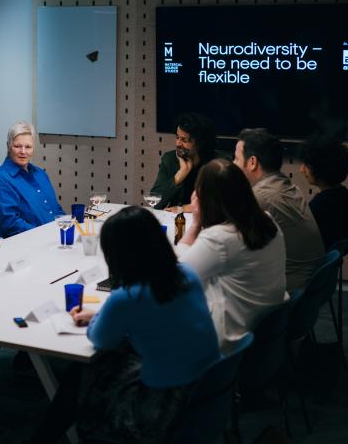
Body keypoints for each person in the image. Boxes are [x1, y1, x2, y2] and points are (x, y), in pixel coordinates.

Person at [30, 206, 220, 444]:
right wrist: (106, 314)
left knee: (86, 369)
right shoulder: (185, 274)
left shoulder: (127, 297)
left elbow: (100, 338)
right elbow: (154, 314)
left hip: (157, 410)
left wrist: (101, 315)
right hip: (204, 390)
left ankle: (46, 437)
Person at [175, 159, 287, 349]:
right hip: (265, 332)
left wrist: (194, 224)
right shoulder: (267, 221)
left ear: (204, 199)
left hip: (228, 341)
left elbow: (176, 278)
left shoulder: (220, 238)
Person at [233, 128, 325, 291]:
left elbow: (226, 242)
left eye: (237, 158)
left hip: (288, 292)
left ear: (252, 162)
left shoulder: (261, 197)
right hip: (310, 288)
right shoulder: (288, 186)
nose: (233, 164)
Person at [0, 121, 64, 237]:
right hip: (25, 246)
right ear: (8, 146)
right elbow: (11, 224)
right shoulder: (1, 179)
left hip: (52, 240)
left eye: (28, 147)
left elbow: (55, 209)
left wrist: (69, 224)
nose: (23, 151)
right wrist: (46, 234)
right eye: (17, 146)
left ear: (33, 148)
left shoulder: (41, 174)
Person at [299, 135, 348, 252]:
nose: (301, 170)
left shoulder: (320, 205)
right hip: (328, 265)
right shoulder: (346, 197)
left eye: (306, 165)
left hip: (313, 265)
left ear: (320, 169)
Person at [150, 112, 218, 211]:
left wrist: (186, 208)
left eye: (184, 140)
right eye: (177, 137)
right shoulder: (169, 159)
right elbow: (155, 202)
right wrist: (180, 175)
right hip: (176, 220)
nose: (178, 144)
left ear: (199, 143)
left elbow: (223, 202)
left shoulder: (217, 163)